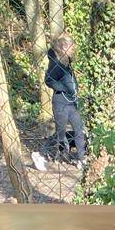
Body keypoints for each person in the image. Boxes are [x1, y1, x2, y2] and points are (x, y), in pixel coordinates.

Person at [32, 33, 86, 172]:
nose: (74, 49)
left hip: (71, 103)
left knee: (79, 130)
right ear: (64, 47)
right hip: (60, 102)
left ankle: (81, 159)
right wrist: (63, 89)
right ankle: (41, 154)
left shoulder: (66, 61)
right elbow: (49, 80)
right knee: (61, 133)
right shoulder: (56, 64)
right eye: (71, 47)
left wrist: (74, 90)